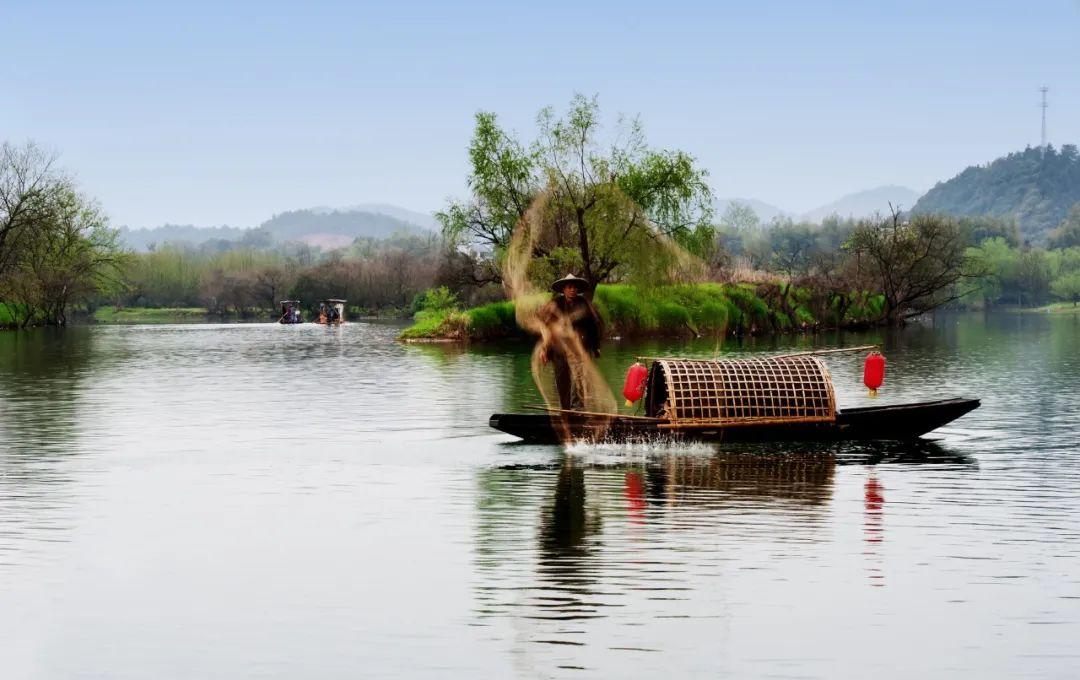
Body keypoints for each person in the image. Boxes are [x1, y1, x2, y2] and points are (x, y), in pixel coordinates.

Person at [538, 274, 603, 411]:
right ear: (564, 290)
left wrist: (596, 347)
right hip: (559, 349)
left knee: (579, 378)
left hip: (579, 347)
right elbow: (546, 327)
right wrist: (544, 349)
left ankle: (577, 409)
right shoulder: (555, 304)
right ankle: (565, 409)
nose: (573, 290)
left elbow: (594, 325)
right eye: (570, 287)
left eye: (575, 287)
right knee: (562, 379)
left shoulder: (583, 303)